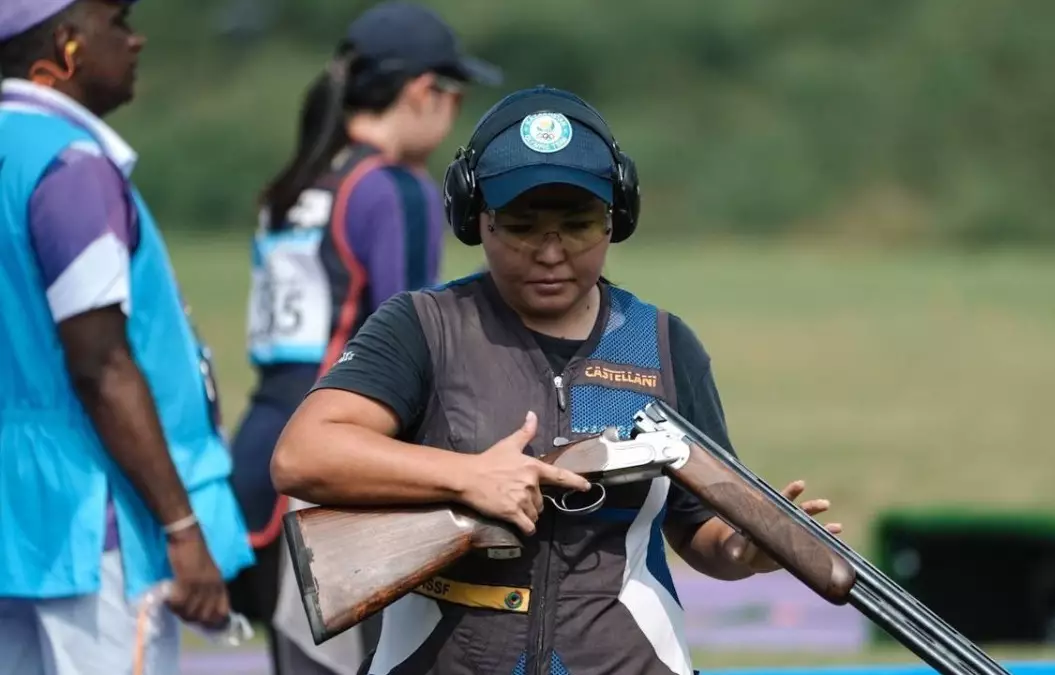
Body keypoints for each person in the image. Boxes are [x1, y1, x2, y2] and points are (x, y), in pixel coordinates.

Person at [270, 85, 844, 675]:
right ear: (478, 220)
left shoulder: (666, 343)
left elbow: (699, 528)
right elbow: (303, 455)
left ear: (615, 220)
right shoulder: (422, 326)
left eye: (579, 225)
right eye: (521, 226)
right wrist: (468, 477)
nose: (550, 252)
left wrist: (741, 550)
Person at [225, 3, 502, 674]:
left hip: (259, 460)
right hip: (339, 470)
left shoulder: (293, 185)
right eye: (453, 95)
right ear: (421, 92)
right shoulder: (393, 189)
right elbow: (414, 351)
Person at [0, 1, 255, 674]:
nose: (135, 39)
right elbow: (101, 364)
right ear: (67, 44)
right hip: (95, 523)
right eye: (116, 20)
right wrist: (181, 526)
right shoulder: (71, 168)